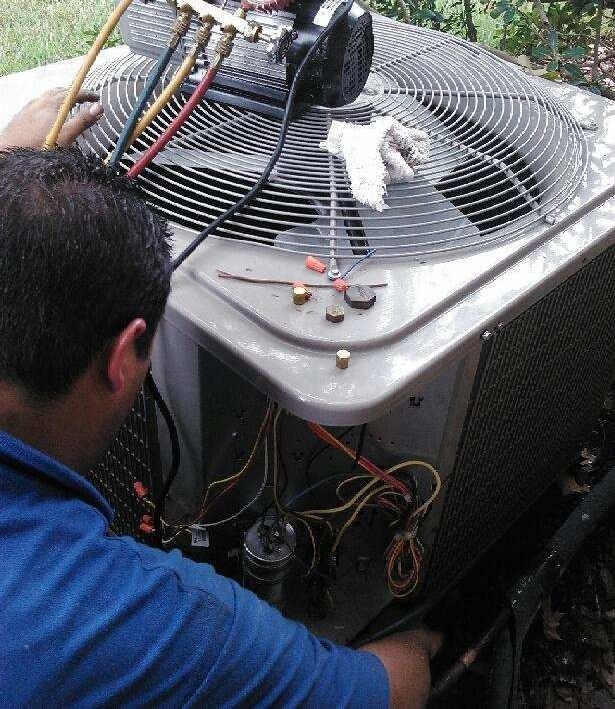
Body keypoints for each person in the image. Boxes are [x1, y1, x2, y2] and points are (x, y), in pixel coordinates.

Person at [0, 90, 441, 708]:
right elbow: (384, 695)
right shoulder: (135, 620)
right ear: (127, 353)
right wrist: (424, 639)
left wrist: (13, 168)